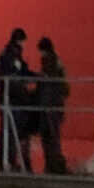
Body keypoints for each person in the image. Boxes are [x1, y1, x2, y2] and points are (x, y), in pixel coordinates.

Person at [0, 28, 34, 172]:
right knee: (10, 129)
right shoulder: (12, 54)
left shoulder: (7, 53)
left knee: (8, 129)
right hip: (13, 98)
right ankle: (7, 160)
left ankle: (5, 159)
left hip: (9, 96)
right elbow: (19, 72)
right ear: (20, 40)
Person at [34, 37, 69, 174]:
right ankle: (56, 165)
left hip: (50, 105)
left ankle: (53, 166)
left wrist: (44, 105)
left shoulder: (49, 63)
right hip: (58, 103)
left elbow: (48, 86)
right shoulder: (57, 62)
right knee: (54, 136)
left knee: (49, 136)